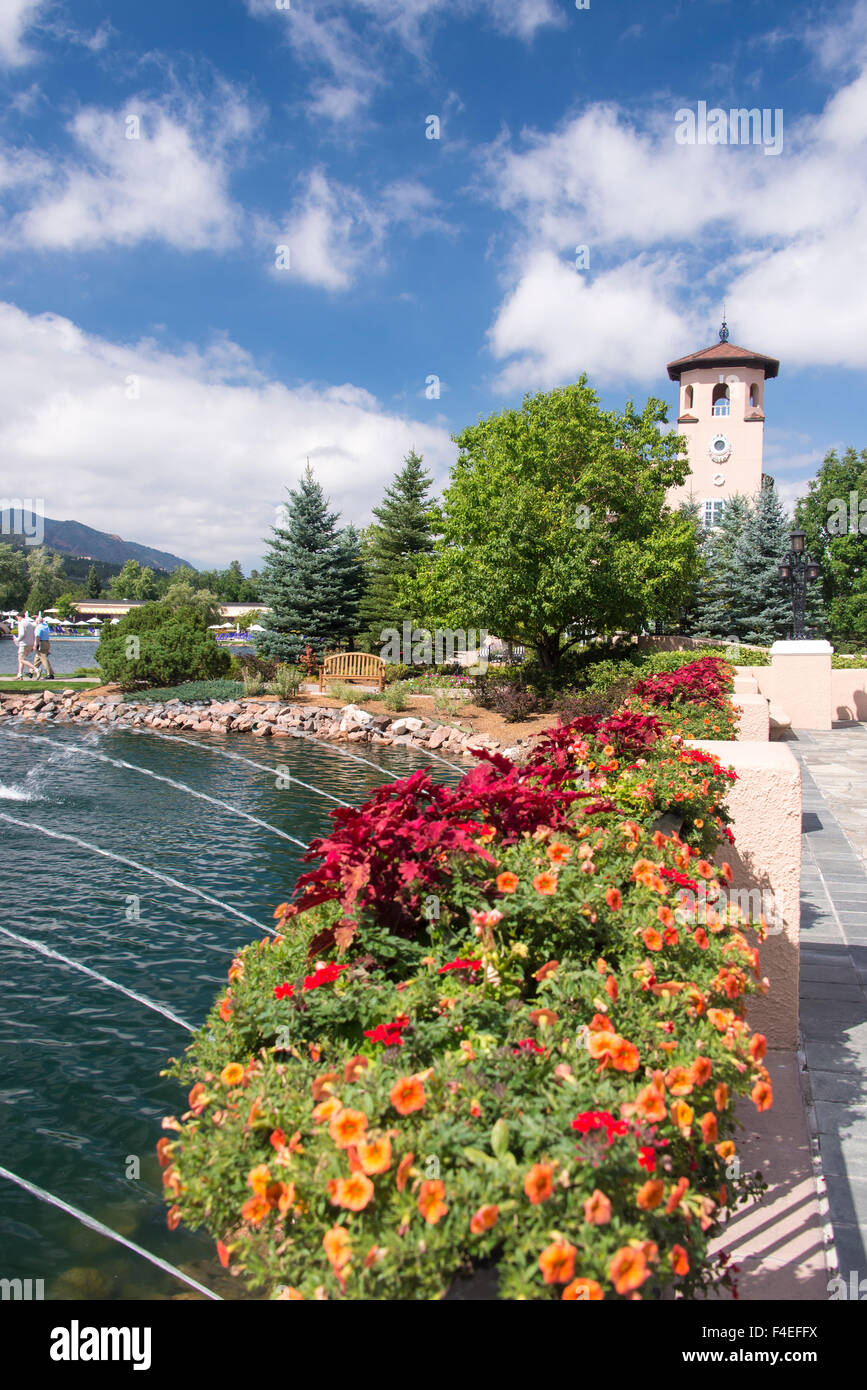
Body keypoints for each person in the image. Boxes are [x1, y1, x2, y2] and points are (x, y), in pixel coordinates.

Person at [15, 613, 38, 678]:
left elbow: (22, 634)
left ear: (19, 617)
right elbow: (33, 633)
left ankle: (36, 669)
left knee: (21, 659)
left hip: (23, 643)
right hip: (30, 643)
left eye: (17, 618)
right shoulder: (29, 623)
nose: (17, 619)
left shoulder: (21, 623)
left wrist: (17, 639)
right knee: (22, 659)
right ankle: (19, 674)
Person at [33, 614, 55, 678]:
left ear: (37, 622)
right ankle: (31, 671)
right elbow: (42, 621)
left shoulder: (38, 627)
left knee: (44, 658)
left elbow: (37, 637)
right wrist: (38, 617)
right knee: (38, 658)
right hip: (47, 642)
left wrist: (35, 645)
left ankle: (50, 674)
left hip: (41, 643)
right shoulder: (45, 626)